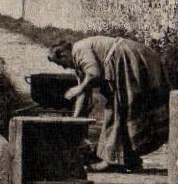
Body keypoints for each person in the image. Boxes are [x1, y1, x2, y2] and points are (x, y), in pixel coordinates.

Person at [47, 35, 169, 172]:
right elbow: (83, 95)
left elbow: (94, 74)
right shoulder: (78, 61)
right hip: (131, 58)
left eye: (61, 63)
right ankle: (129, 159)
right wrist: (74, 122)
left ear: (63, 53)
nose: (64, 68)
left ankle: (111, 161)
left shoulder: (79, 50)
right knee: (122, 110)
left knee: (119, 110)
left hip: (127, 58)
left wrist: (77, 89)